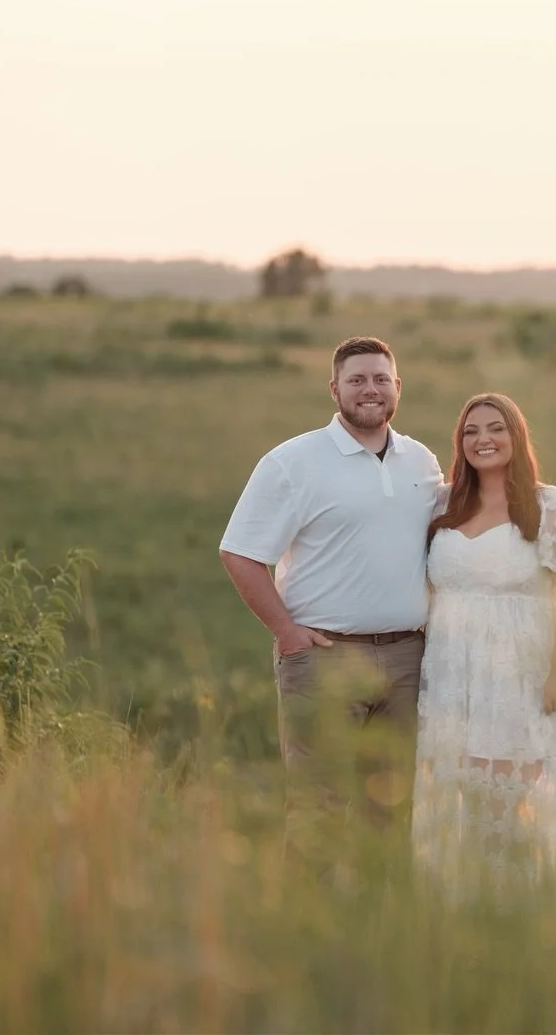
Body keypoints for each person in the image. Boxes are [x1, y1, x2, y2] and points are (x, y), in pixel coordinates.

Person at [218, 336, 443, 872]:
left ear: (397, 388)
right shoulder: (292, 461)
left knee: (390, 804)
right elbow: (240, 553)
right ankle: (307, 937)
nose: (370, 390)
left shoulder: (420, 459)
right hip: (324, 657)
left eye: (381, 379)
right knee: (319, 805)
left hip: (408, 660)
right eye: (357, 380)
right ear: (335, 388)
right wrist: (288, 632)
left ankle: (375, 932)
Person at [412, 392, 556, 919]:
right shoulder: (442, 505)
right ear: (460, 443)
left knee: (507, 798)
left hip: (522, 674)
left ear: (516, 436)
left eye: (495, 428)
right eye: (471, 431)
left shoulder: (551, 507)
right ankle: (474, 912)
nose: (483, 439)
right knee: (466, 800)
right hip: (453, 672)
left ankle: (520, 913)